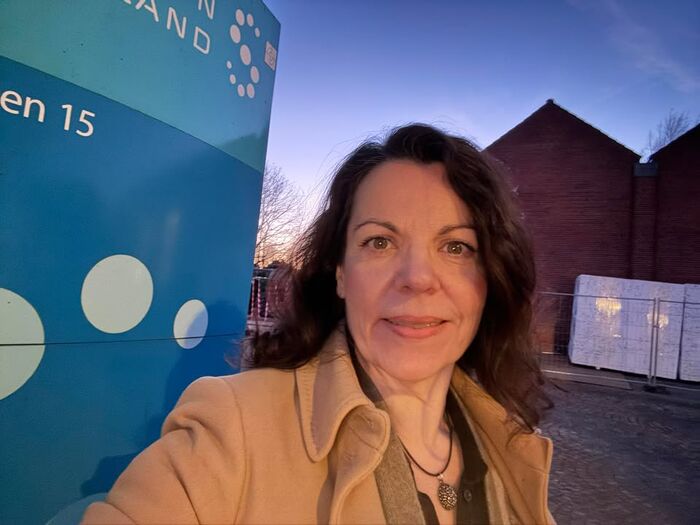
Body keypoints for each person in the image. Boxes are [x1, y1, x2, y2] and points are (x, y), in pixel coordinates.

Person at [82, 124, 554, 525]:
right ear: (340, 273)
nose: (417, 278)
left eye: (456, 247)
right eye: (380, 242)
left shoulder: (511, 449)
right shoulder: (232, 429)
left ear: (490, 279)